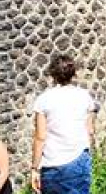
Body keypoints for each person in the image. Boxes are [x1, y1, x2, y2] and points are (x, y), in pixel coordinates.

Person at [29, 54, 95, 194]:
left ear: (53, 74)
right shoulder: (85, 96)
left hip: (53, 164)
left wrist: (35, 168)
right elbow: (89, 131)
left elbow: (40, 137)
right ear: (73, 73)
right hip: (79, 160)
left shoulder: (43, 99)